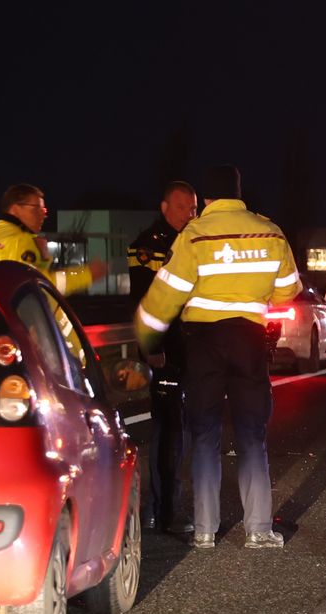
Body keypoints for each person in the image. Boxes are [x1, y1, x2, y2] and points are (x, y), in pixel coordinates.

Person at [135, 165, 301, 550]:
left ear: (207, 198)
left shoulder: (194, 236)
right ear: (238, 194)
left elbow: (164, 297)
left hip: (203, 344)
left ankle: (205, 529)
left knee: (205, 433)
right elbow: (288, 290)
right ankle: (258, 528)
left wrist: (147, 338)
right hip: (249, 341)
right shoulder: (270, 232)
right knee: (251, 435)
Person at [127, 181, 198, 533]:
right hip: (164, 351)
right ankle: (160, 508)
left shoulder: (193, 241)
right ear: (165, 207)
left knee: (179, 427)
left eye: (194, 208)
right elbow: (143, 300)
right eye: (183, 207)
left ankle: (169, 506)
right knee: (167, 430)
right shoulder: (149, 246)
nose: (190, 214)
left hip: (189, 349)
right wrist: (152, 349)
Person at [0, 183, 105, 294]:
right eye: (38, 208)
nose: (44, 215)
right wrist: (88, 274)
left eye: (44, 210)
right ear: (15, 209)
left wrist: (43, 261)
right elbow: (42, 288)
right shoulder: (21, 241)